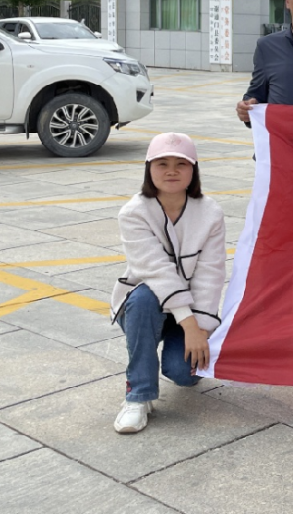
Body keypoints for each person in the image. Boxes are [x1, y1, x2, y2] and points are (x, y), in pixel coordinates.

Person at [110, 133, 226, 434]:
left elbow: (211, 274)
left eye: (181, 164)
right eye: (162, 163)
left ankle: (181, 357)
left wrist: (201, 329)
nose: (171, 171)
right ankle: (138, 396)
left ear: (193, 169)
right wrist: (190, 327)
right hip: (144, 310)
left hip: (190, 312)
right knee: (145, 297)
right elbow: (156, 271)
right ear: (149, 168)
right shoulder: (134, 212)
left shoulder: (210, 211)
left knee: (184, 374)